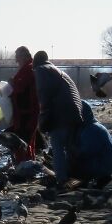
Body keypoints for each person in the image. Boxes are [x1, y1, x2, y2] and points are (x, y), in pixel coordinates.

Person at [33, 50, 83, 188]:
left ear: (35, 62)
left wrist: (43, 119)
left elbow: (44, 94)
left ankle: (62, 179)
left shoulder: (41, 70)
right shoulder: (57, 70)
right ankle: (75, 175)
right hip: (74, 112)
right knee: (70, 147)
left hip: (60, 114)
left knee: (58, 147)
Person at [70, 101, 112, 188]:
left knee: (74, 162)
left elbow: (86, 152)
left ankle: (84, 180)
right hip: (106, 163)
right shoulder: (92, 125)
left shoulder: (91, 129)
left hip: (102, 165)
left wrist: (72, 150)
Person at [8, 46, 40, 162]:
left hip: (26, 114)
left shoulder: (29, 69)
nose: (16, 60)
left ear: (25, 56)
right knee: (29, 143)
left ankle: (24, 165)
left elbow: (21, 88)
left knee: (22, 143)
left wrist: (12, 83)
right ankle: (29, 164)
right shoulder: (28, 69)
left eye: (18, 57)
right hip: (25, 113)